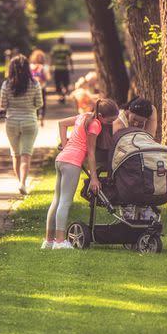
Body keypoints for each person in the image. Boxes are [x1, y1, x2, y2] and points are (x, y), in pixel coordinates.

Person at [43, 99, 119, 250]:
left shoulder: (83, 116)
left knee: (56, 201)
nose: (110, 123)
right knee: (65, 201)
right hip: (72, 163)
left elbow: (62, 124)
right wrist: (94, 179)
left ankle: (48, 241)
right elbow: (91, 153)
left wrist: (65, 146)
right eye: (110, 120)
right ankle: (59, 242)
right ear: (101, 116)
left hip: (61, 160)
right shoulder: (95, 124)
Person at [0, 55, 43, 195]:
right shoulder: (35, 84)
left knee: (15, 155)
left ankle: (20, 183)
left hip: (12, 122)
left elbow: (3, 105)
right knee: (26, 155)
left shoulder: (6, 85)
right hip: (29, 121)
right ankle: (23, 183)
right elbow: (39, 104)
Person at [113, 96, 158, 221]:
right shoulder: (118, 123)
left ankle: (147, 206)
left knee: (150, 168)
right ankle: (128, 206)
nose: (137, 124)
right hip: (123, 158)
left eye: (141, 122)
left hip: (139, 156)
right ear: (129, 111)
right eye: (134, 119)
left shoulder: (149, 112)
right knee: (135, 172)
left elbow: (149, 139)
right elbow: (121, 149)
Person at [29, 49, 51, 126]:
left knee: (34, 103)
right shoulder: (44, 67)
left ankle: (36, 116)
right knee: (43, 103)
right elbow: (48, 77)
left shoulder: (30, 67)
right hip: (42, 87)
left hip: (32, 88)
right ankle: (42, 116)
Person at [50, 37, 74, 103]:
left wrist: (50, 67)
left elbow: (52, 58)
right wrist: (72, 67)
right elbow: (70, 58)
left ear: (58, 41)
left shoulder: (54, 48)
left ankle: (61, 95)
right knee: (65, 83)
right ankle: (63, 94)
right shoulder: (67, 48)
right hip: (65, 68)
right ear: (64, 41)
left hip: (57, 68)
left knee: (57, 83)